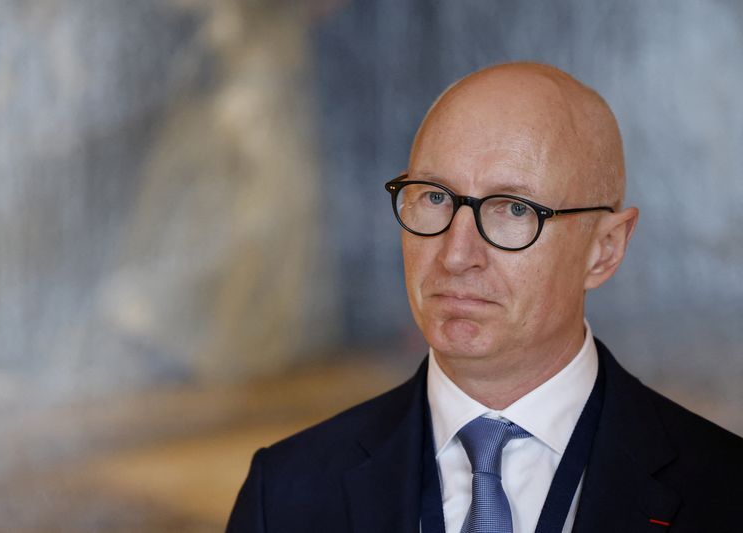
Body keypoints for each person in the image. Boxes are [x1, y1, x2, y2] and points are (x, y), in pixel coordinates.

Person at [227, 62, 743, 533]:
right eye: (433, 197)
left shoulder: (726, 493)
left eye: (513, 209)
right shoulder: (285, 492)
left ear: (604, 250)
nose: (456, 254)